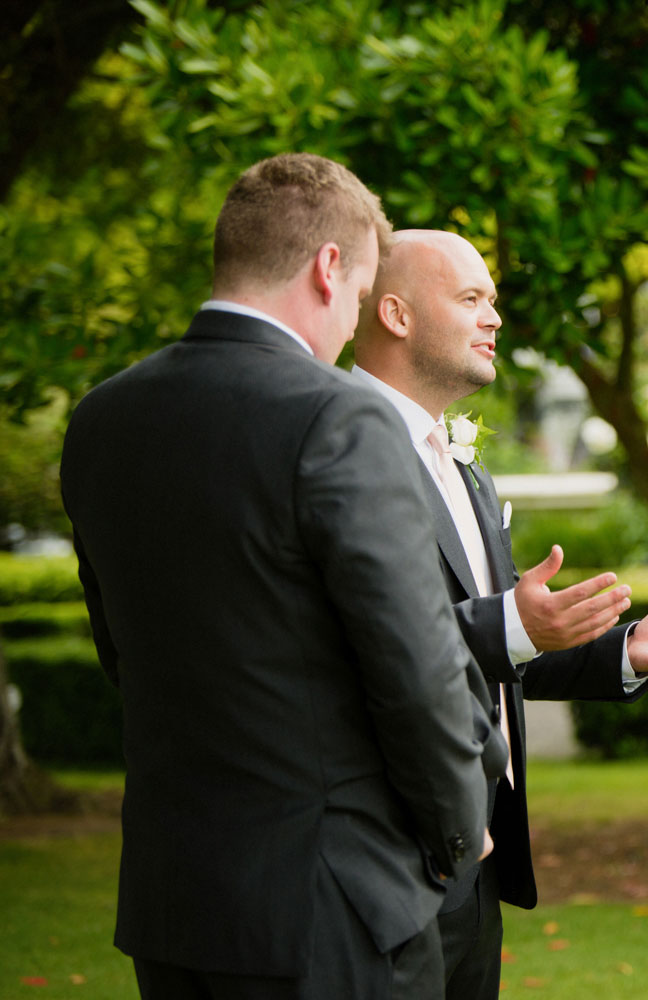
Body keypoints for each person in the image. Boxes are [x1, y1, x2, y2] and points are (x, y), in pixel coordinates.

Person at [60, 154, 495, 999]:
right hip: (334, 907)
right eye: (363, 296)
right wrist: (457, 830)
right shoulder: (340, 416)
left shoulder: (102, 418)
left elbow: (122, 651)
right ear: (330, 269)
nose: (352, 326)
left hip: (175, 906)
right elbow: (417, 668)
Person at [350, 229, 648, 998]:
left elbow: (498, 639)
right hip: (381, 856)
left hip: (474, 855)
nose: (495, 317)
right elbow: (363, 648)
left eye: (493, 299)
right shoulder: (338, 450)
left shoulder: (464, 466)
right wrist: (514, 626)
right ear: (394, 312)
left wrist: (627, 650)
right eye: (471, 299)